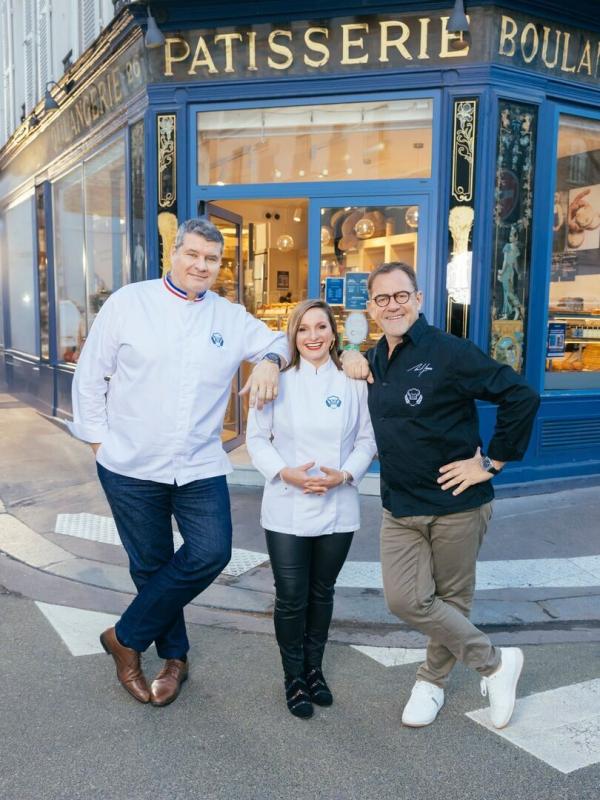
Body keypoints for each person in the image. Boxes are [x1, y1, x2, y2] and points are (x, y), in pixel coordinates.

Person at [69, 217, 289, 707]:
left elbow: (278, 341)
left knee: (211, 552)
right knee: (150, 565)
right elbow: (91, 375)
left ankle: (124, 638)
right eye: (193, 254)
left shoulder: (229, 318)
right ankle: (175, 658)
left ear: (218, 264)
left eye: (211, 259)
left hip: (198, 465)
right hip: (129, 464)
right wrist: (98, 442)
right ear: (175, 254)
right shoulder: (130, 302)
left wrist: (271, 362)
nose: (201, 265)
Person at [342, 262, 540, 730]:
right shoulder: (374, 359)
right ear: (371, 307)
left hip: (457, 506)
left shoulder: (450, 352)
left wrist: (490, 463)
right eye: (382, 299)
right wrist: (350, 349)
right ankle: (495, 662)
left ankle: (430, 682)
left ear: (419, 298)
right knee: (404, 599)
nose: (393, 305)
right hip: (400, 506)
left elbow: (520, 396)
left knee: (452, 600)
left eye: (401, 295)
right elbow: (317, 354)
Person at [246, 300, 376, 719]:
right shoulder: (275, 380)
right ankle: (293, 676)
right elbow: (256, 440)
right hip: (286, 507)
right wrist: (286, 474)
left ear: (334, 334)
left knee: (322, 592)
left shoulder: (353, 380)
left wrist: (345, 475)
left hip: (338, 506)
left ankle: (315, 670)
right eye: (304, 329)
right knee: (290, 597)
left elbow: (367, 441)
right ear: (293, 336)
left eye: (321, 327)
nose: (313, 336)